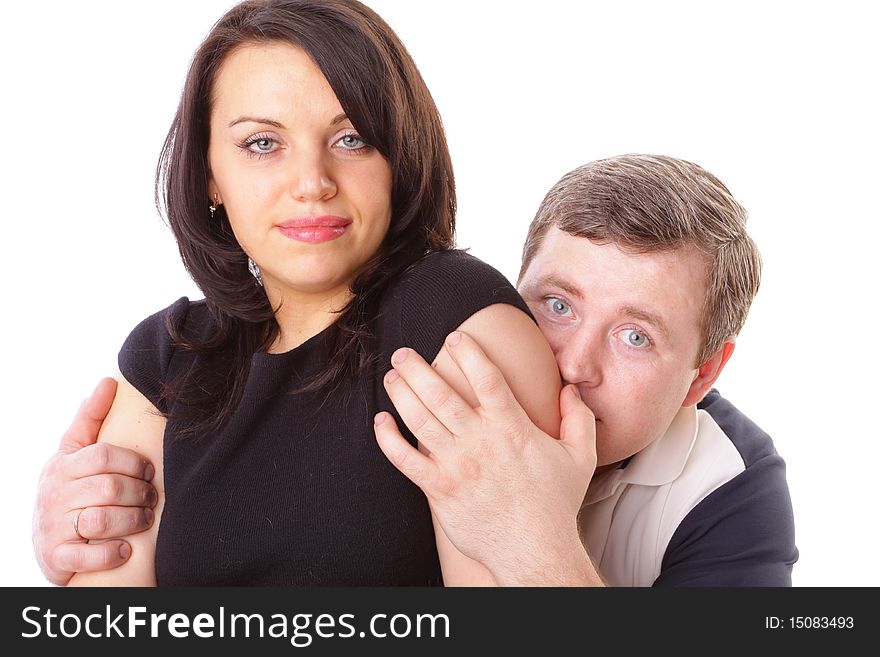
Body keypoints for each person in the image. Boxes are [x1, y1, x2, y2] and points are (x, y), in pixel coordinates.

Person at [44, 0, 567, 586]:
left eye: (351, 139)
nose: (313, 183)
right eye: (263, 144)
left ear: (398, 156)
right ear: (209, 174)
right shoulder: (170, 355)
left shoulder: (454, 321)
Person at [375, 155, 799, 585]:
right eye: (559, 306)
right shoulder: (432, 378)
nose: (574, 365)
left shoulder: (730, 487)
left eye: (635, 337)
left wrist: (528, 535)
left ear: (702, 376)